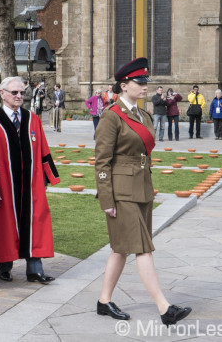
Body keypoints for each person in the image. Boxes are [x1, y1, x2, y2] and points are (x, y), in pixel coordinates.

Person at [94, 57, 192, 326]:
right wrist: (106, 198)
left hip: (142, 189)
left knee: (121, 249)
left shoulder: (143, 115)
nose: (145, 86)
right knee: (142, 249)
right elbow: (102, 161)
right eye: (140, 82)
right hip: (121, 191)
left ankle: (104, 300)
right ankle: (165, 308)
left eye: (146, 82)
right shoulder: (111, 116)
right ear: (124, 85)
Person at [0, 77, 61, 284]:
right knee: (4, 226)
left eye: (21, 93)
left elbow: (43, 150)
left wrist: (45, 180)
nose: (19, 96)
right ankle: (5, 267)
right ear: (2, 93)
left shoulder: (32, 119)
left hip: (31, 185)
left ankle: (35, 270)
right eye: (14, 93)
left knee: (35, 223)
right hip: (4, 186)